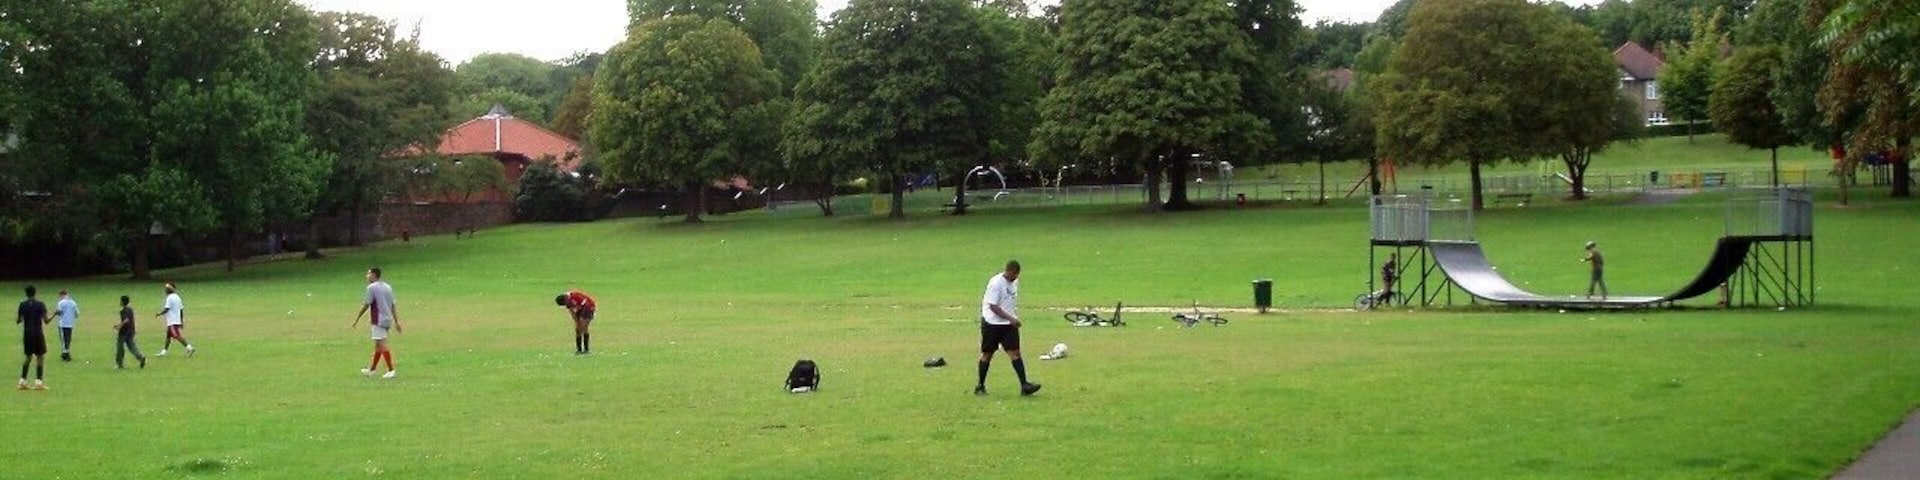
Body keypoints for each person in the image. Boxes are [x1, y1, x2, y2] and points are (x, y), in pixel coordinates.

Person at [976, 260, 1041, 397]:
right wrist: (1011, 319)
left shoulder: (1014, 282)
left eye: (1018, 275)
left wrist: (1011, 318)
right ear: (1009, 271)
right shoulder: (995, 284)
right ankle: (980, 385)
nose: (1016, 277)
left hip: (1008, 325)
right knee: (987, 354)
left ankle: (1025, 386)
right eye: (1015, 274)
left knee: (1015, 353)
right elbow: (993, 306)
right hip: (992, 323)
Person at [352, 267, 400, 379]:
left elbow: (367, 304)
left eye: (368, 273)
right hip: (387, 319)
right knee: (378, 345)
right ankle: (372, 369)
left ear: (374, 275)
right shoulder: (388, 287)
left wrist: (357, 317)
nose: (367, 276)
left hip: (378, 319)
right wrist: (396, 321)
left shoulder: (371, 288)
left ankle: (391, 370)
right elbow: (393, 305)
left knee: (382, 344)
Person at [17, 285, 50, 390]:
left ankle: (22, 381)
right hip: (37, 332)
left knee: (28, 356)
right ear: (35, 293)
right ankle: (38, 382)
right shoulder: (40, 304)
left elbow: (18, 320)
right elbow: (46, 321)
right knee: (40, 356)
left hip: (27, 333)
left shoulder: (22, 304)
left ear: (26, 293)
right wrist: (55, 314)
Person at [154, 283, 195, 357]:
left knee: (176, 336)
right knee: (168, 336)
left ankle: (189, 348)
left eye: (167, 288)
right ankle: (164, 352)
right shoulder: (177, 297)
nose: (166, 289)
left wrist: (159, 313)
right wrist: (181, 321)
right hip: (176, 320)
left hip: (172, 321)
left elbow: (167, 309)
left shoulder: (169, 298)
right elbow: (181, 310)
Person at [555, 289, 597, 355]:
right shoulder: (568, 300)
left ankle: (586, 350)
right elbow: (572, 312)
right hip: (580, 308)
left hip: (588, 307)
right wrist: (577, 322)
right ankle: (579, 350)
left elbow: (585, 306)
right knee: (578, 329)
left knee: (583, 327)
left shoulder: (575, 296)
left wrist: (581, 321)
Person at [113, 295, 145, 369]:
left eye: (120, 301)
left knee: (120, 347)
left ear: (122, 302)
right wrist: (118, 325)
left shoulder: (123, 311)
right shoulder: (130, 309)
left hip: (124, 332)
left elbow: (126, 320)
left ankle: (119, 364)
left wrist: (119, 326)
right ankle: (141, 357)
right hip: (131, 331)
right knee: (132, 346)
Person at [54, 289, 77, 362]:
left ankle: (65, 354)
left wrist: (56, 313)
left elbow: (59, 312)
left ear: (61, 295)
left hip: (63, 323)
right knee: (68, 339)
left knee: (63, 339)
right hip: (70, 323)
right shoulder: (73, 302)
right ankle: (66, 353)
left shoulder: (61, 303)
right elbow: (77, 313)